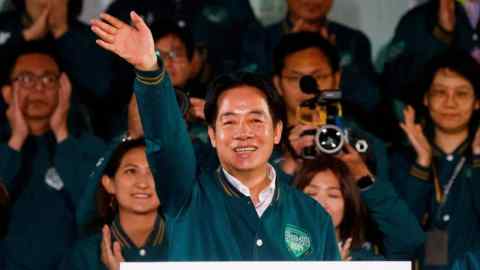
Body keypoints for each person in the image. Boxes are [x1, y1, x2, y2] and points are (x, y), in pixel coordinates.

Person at [90, 11, 340, 263]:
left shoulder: (313, 215)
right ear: (212, 135)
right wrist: (149, 70)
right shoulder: (187, 198)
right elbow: (167, 142)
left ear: (277, 132)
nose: (243, 133)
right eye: (229, 121)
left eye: (255, 120)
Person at [0, 43, 105, 270]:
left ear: (63, 88)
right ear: (7, 92)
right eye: (27, 79)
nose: (39, 88)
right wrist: (16, 140)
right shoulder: (5, 150)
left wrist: (62, 135)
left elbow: (94, 212)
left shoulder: (89, 147)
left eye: (49, 79)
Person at [389, 49, 480, 270]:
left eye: (461, 93)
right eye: (440, 92)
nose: (450, 103)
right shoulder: (401, 158)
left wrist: (478, 161)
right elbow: (399, 230)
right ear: (426, 98)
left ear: (477, 101)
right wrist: (422, 164)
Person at [271, 31, 388, 183]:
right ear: (278, 84)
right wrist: (285, 168)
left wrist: (363, 180)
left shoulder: (365, 145)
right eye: (295, 78)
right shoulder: (262, 144)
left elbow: (390, 207)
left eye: (318, 77)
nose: (308, 89)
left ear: (337, 78)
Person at [240, 0, 380, 113]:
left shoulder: (353, 40)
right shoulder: (258, 40)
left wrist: (330, 61)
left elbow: (371, 101)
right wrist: (287, 55)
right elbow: (246, 97)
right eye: (294, 77)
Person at [60, 137, 168, 270]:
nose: (142, 183)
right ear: (109, 184)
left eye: (153, 172)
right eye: (131, 171)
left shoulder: (188, 244)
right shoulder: (85, 255)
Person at [294, 154, 424, 261]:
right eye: (311, 194)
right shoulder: (276, 253)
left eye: (333, 195)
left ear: (348, 205)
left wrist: (364, 179)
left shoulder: (364, 262)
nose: (321, 203)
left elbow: (409, 240)